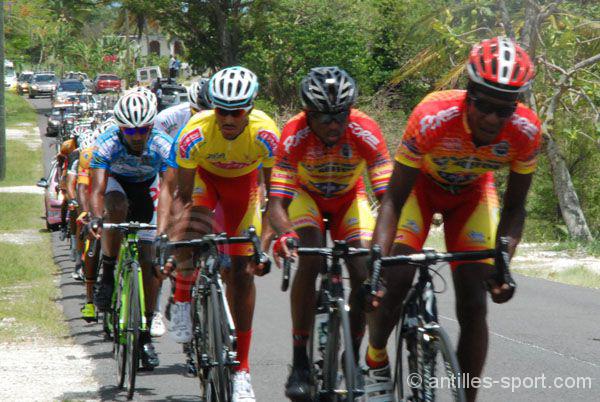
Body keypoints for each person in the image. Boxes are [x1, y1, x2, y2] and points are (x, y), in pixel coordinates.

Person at [364, 37, 541, 402]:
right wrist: (377, 263)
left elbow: (514, 209)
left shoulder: (525, 130)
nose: (493, 118)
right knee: (396, 279)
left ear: (516, 106)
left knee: (475, 302)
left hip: (472, 197)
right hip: (420, 193)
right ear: (468, 92)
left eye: (504, 109)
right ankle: (376, 359)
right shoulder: (432, 116)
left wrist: (504, 260)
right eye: (484, 106)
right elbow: (394, 199)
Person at [268, 66, 393, 399]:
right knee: (309, 258)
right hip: (306, 199)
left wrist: (386, 246)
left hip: (349, 199)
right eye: (324, 118)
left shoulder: (365, 129)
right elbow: (276, 204)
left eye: (340, 115)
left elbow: (388, 199)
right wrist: (284, 235)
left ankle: (350, 353)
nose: (334, 124)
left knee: (364, 265)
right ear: (308, 115)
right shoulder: (293, 134)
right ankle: (299, 361)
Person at [171, 66, 279, 401]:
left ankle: (242, 370)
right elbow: (183, 197)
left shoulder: (266, 133)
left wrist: (261, 247)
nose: (228, 119)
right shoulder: (195, 134)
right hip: (204, 181)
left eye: (236, 112)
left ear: (250, 108)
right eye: (221, 111)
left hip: (243, 189)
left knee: (243, 274)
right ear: (212, 108)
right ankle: (181, 297)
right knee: (191, 227)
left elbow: (275, 197)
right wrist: (180, 242)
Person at [88, 91, 177, 369]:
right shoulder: (106, 143)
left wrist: (162, 232)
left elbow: (168, 190)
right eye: (130, 130)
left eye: (143, 130)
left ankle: (145, 334)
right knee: (114, 205)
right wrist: (94, 217)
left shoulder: (163, 144)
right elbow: (97, 190)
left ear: (151, 127)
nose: (137, 136)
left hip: (148, 189)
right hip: (118, 185)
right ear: (121, 128)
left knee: (149, 262)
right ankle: (108, 272)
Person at [150, 78, 212, 337]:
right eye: (199, 113)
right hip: (176, 169)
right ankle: (167, 296)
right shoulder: (170, 118)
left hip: (210, 174)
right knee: (175, 233)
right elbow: (157, 149)